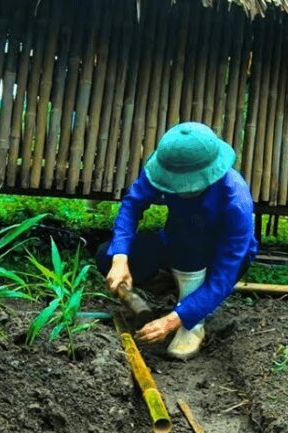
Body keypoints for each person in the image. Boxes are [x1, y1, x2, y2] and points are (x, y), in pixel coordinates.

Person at [97, 122, 257, 360]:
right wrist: (120, 257)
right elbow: (132, 204)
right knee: (105, 255)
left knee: (192, 232)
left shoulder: (236, 200)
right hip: (176, 242)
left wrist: (173, 321)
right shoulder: (167, 165)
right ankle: (174, 288)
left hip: (219, 258)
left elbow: (225, 273)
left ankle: (192, 323)